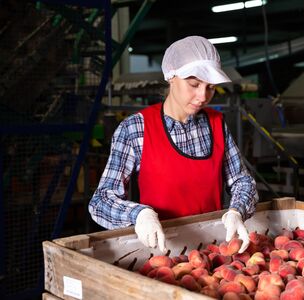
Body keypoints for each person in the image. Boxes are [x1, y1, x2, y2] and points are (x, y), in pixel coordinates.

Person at [89, 36, 258, 254]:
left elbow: (242, 181)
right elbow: (100, 200)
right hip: (161, 254)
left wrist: (237, 211)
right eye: (194, 84)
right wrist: (139, 215)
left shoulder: (216, 124)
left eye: (211, 88)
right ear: (171, 76)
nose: (203, 96)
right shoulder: (136, 129)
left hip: (212, 251)